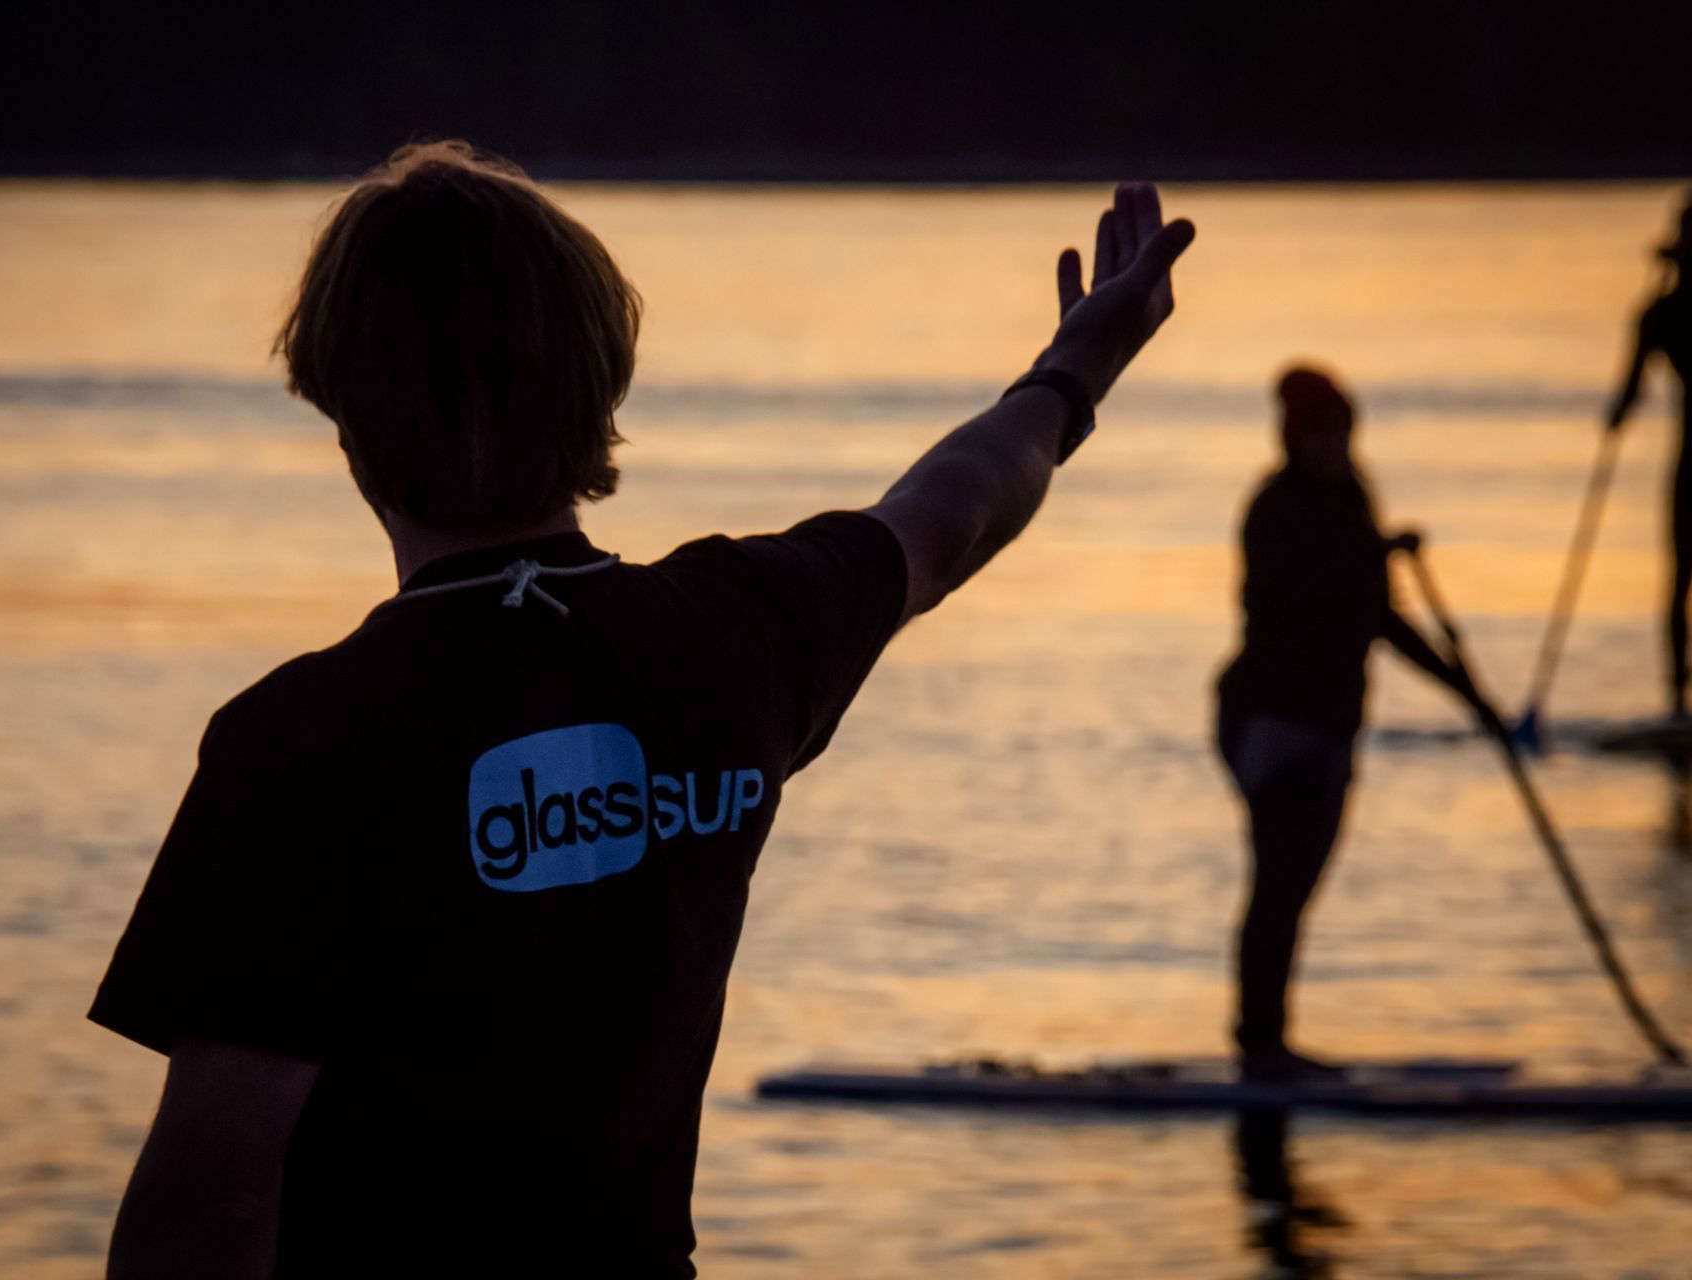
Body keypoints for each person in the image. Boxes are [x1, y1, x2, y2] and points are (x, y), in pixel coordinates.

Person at [90, 139, 1195, 1278]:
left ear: (342, 408)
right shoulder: (735, 635)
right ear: (597, 381)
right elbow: (947, 516)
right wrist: (1074, 374)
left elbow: (205, 1207)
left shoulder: (303, 740)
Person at [1214, 367, 1499, 1080]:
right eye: (1320, 432)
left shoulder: (1353, 498)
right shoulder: (1273, 508)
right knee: (1277, 880)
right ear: (1293, 436)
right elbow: (1288, 598)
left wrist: (1468, 693)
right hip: (1269, 723)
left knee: (1299, 885)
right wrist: (1374, 554)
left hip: (1334, 725)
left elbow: (1380, 617)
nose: (1333, 444)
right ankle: (1259, 1043)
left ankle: (1268, 1040)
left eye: (1342, 431)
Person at [1606, 195, 1692, 715]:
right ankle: (1676, 698)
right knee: (1680, 575)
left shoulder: (1659, 314)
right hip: (1690, 460)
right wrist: (1615, 418)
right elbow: (1631, 390)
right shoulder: (1658, 314)